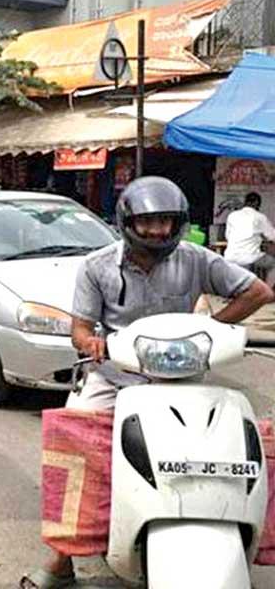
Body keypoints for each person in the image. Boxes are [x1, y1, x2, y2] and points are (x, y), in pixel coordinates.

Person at [20, 177, 274, 589]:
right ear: (128, 222)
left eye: (166, 221)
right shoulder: (97, 266)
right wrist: (93, 344)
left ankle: (242, 526)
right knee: (76, 441)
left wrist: (211, 327)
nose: (158, 230)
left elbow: (258, 292)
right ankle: (62, 559)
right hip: (114, 373)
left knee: (243, 444)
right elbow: (81, 329)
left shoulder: (196, 258)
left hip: (182, 374)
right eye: (149, 222)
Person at [224, 191, 275, 286]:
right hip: (249, 258)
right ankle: (267, 289)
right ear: (256, 203)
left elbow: (228, 236)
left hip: (230, 257)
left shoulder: (232, 215)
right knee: (272, 263)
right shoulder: (259, 217)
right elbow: (272, 236)